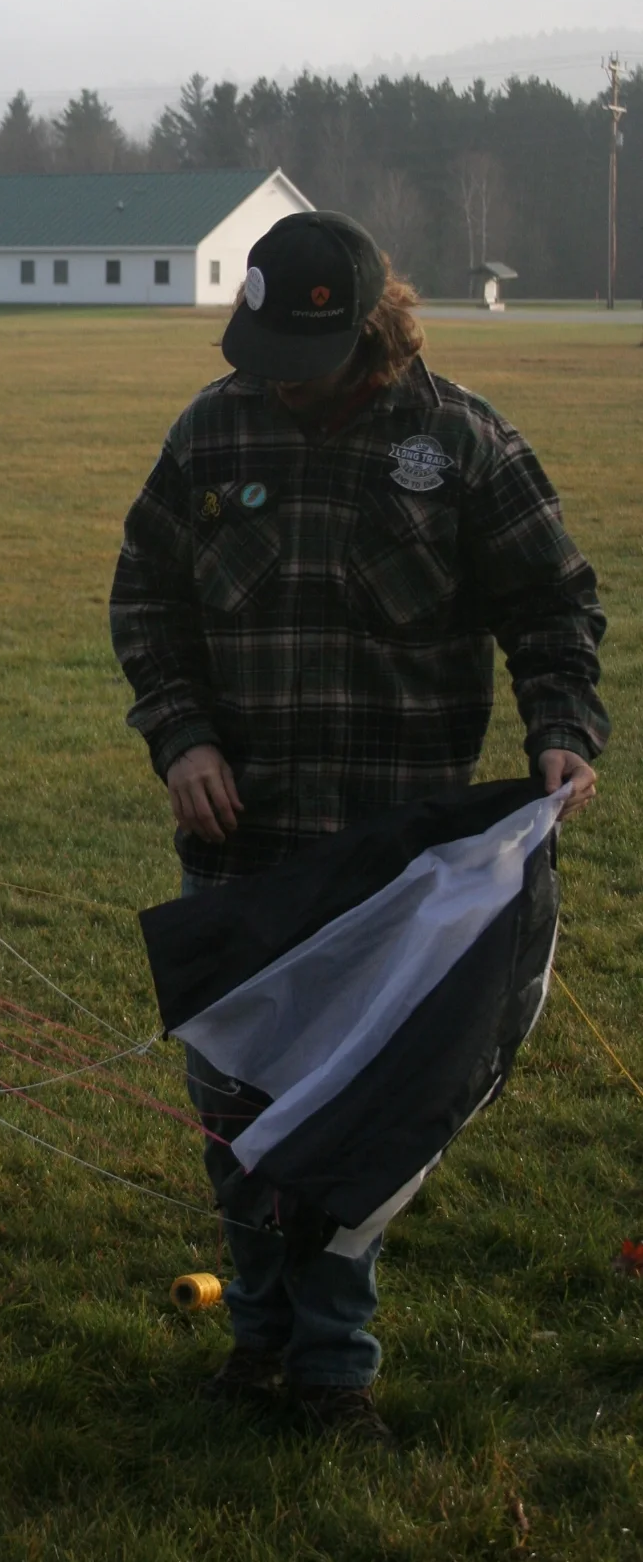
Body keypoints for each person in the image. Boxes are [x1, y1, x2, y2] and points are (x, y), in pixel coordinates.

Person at [109, 209, 607, 1444]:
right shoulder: (210, 430)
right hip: (241, 850)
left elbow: (551, 603)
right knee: (234, 1115)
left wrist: (562, 726)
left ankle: (334, 1371)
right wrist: (184, 736)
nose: (276, 378)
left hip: (391, 869)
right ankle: (258, 1339)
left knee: (352, 1121)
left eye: (301, 357)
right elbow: (146, 598)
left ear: (375, 333)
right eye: (263, 348)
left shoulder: (460, 442)